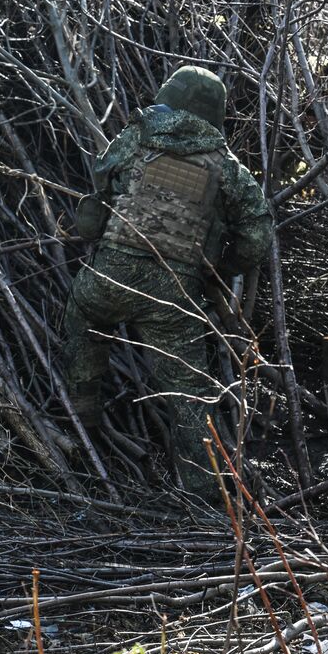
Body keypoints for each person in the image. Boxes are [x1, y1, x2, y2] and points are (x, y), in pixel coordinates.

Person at [64, 66, 273, 500]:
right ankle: (207, 495)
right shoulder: (226, 166)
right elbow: (256, 233)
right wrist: (220, 264)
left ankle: (81, 421)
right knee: (189, 393)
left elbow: (99, 187)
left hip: (109, 274)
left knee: (82, 319)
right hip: (172, 295)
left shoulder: (134, 138)